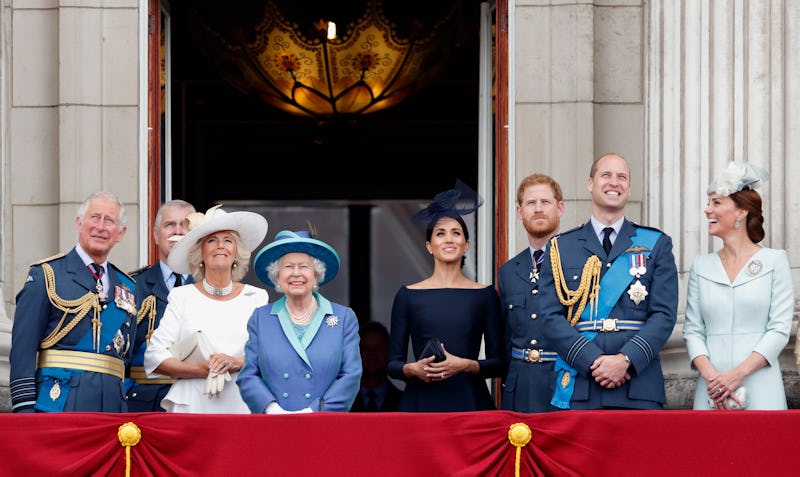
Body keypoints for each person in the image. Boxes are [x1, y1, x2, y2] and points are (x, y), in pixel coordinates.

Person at [537, 153, 678, 410]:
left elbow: (664, 315)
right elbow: (549, 317)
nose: (614, 182)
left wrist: (625, 360)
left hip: (637, 385)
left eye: (621, 177)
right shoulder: (561, 247)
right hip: (581, 384)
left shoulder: (656, 243)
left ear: (628, 187)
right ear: (590, 183)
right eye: (606, 175)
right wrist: (593, 360)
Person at [9, 191, 137, 413]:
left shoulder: (128, 287)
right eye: (94, 217)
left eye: (110, 221)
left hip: (113, 408)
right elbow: (23, 349)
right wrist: (24, 409)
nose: (100, 226)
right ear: (79, 223)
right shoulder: (47, 275)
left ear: (120, 233)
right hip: (58, 404)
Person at [386, 179, 505, 412]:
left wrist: (467, 365)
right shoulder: (408, 295)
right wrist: (412, 369)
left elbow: (500, 363)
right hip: (420, 403)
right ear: (429, 245)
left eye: (456, 233)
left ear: (466, 244)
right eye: (440, 234)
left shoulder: (485, 295)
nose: (449, 239)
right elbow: (392, 365)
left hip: (470, 402)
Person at [683, 162, 793, 410]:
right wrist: (714, 378)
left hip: (761, 386)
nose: (707, 209)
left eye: (716, 202)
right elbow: (692, 330)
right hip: (711, 390)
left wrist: (736, 375)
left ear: (741, 212)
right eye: (709, 202)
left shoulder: (774, 261)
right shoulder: (701, 266)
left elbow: (779, 329)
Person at [143, 204, 269, 413]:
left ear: (236, 252)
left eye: (228, 240)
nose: (220, 246)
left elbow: (268, 355)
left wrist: (235, 362)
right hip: (193, 404)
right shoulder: (182, 296)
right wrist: (197, 370)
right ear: (200, 253)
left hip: (242, 403)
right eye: (211, 240)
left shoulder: (256, 297)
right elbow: (154, 357)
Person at [237, 228, 362, 413]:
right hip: (274, 424)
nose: (296, 273)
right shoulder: (261, 319)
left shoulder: (343, 318)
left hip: (323, 424)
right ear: (277, 276)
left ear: (316, 275)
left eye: (304, 266)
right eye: (288, 267)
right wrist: (271, 409)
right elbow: (248, 375)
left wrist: (314, 411)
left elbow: (351, 375)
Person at [498, 173, 564, 412]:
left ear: (560, 208)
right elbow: (506, 338)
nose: (538, 209)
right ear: (519, 212)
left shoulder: (580, 262)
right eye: (530, 203)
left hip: (564, 385)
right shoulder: (508, 271)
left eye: (545, 202)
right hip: (520, 389)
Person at [127, 199, 196, 411]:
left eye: (185, 226)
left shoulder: (210, 286)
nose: (178, 231)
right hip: (144, 404)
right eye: (169, 225)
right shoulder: (131, 285)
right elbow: (118, 353)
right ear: (156, 234)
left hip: (198, 400)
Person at [350, 320, 404, 412]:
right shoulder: (342, 401)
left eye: (379, 348)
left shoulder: (405, 401)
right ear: (356, 353)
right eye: (365, 348)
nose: (372, 354)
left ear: (389, 352)